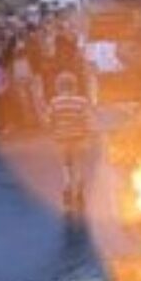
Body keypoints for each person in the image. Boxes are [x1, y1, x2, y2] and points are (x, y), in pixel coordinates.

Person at [47, 71, 95, 212]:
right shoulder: (81, 101)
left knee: (66, 165)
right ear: (75, 86)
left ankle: (67, 185)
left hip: (61, 139)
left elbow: (50, 120)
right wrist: (88, 135)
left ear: (58, 86)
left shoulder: (54, 102)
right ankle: (79, 189)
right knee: (79, 164)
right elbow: (87, 120)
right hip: (79, 138)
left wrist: (53, 132)